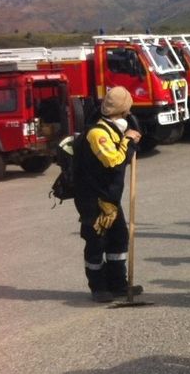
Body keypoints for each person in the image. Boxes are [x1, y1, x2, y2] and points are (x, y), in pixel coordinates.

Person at [73, 86, 143, 302]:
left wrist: (130, 139)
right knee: (96, 242)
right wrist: (129, 141)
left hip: (109, 199)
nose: (129, 115)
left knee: (119, 238)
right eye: (127, 111)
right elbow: (112, 161)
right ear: (121, 111)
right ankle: (98, 287)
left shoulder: (115, 130)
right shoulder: (97, 133)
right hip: (93, 199)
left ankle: (118, 284)